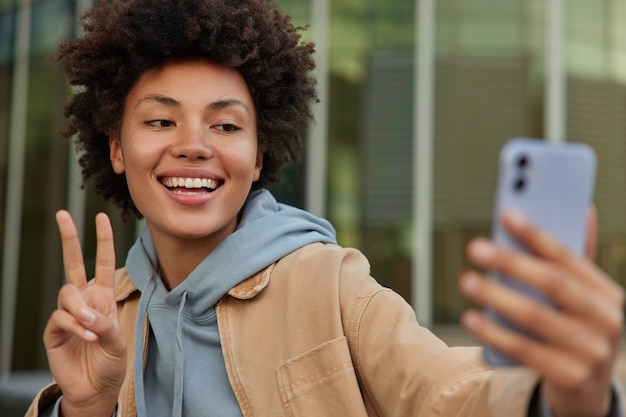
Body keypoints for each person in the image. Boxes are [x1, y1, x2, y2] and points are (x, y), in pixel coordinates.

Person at [26, 0, 623, 416]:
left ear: (258, 156)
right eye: (160, 120)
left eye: (226, 124)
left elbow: (446, 393)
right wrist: (81, 408)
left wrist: (561, 399)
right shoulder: (104, 320)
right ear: (116, 149)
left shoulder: (329, 285)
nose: (194, 145)